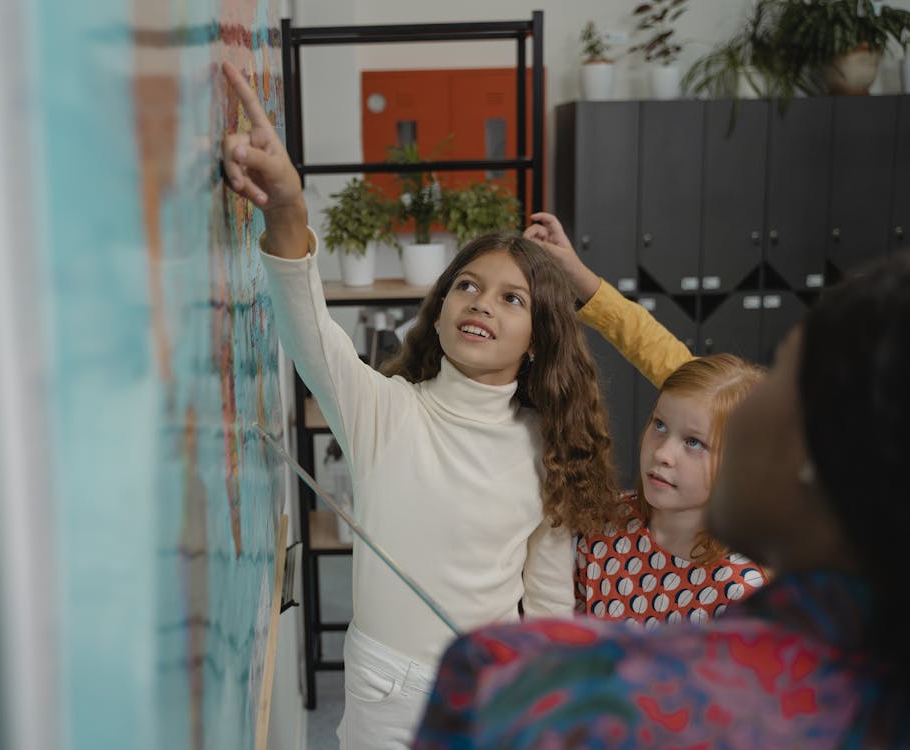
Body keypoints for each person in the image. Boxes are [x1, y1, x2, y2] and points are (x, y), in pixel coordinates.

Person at [219, 61, 620, 749]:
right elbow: (310, 333)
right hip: (388, 688)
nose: (481, 304)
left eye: (510, 298)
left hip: (491, 686)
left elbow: (549, 601)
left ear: (537, 341)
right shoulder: (388, 410)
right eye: (466, 286)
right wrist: (286, 210)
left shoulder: (548, 444)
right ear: (436, 315)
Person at [413, 249, 910, 748]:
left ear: (817, 454)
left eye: (780, 370)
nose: (668, 452)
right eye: (660, 426)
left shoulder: (499, 683)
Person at [522, 212, 769, 625]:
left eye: (694, 442)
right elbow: (650, 345)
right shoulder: (604, 528)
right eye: (658, 426)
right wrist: (576, 274)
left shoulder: (740, 594)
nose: (664, 454)